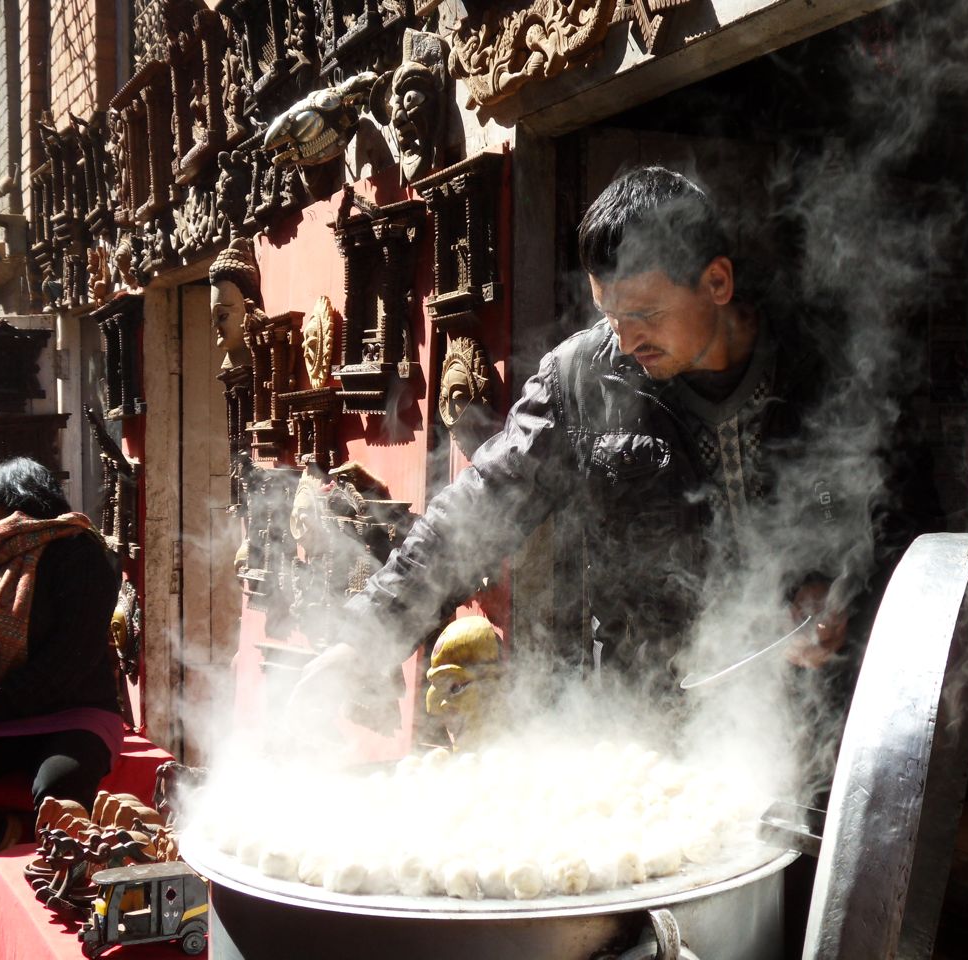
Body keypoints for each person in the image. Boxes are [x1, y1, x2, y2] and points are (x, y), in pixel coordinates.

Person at [296, 166, 913, 770]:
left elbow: (896, 508)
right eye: (609, 315)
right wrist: (366, 638)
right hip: (658, 726)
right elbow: (482, 505)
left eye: (644, 314)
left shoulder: (822, 362)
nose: (624, 339)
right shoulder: (582, 379)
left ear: (717, 282)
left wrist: (843, 586)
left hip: (827, 724)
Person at [0, 458, 123, 894]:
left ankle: (65, 893)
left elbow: (73, 657)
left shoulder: (81, 555)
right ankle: (0, 841)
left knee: (58, 787)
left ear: (17, 506)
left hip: (73, 712)